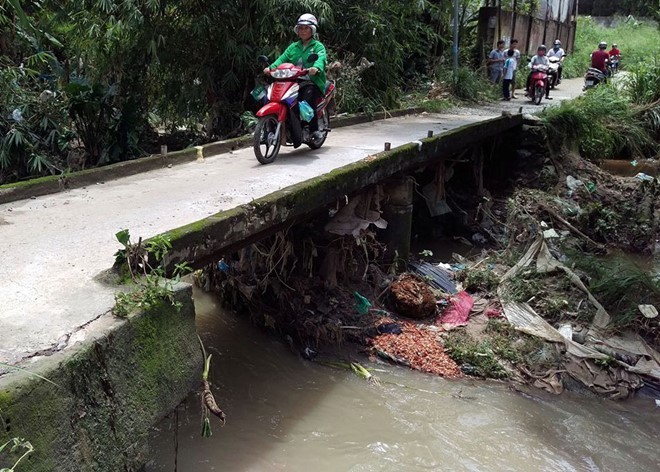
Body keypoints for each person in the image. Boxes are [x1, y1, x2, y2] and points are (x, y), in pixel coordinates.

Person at [264, 13, 327, 139]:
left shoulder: (318, 46)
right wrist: (270, 68)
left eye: (306, 28)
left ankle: (314, 129)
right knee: (269, 96)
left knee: (307, 99)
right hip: (293, 81)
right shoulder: (293, 47)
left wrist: (316, 68)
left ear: (312, 30)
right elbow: (281, 59)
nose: (303, 31)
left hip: (311, 81)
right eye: (301, 28)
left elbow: (321, 58)